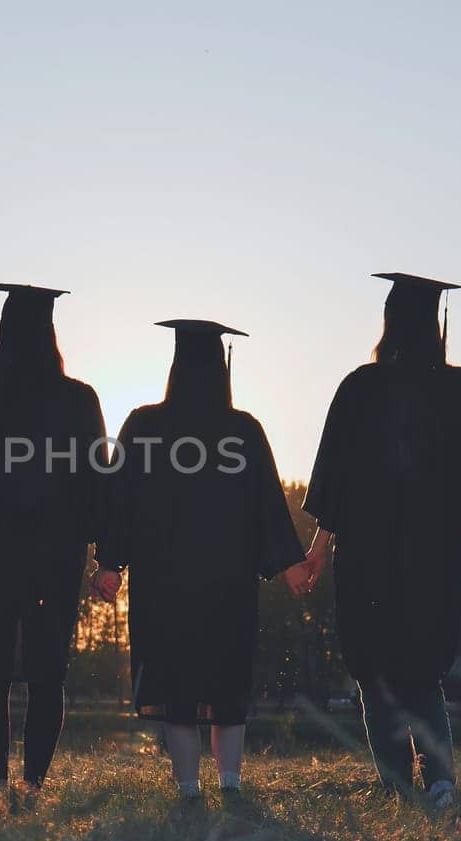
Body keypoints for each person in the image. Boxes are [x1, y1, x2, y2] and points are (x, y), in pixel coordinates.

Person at [296, 273, 461, 807]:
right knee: (422, 666)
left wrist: (320, 547)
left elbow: (334, 482)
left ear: (389, 323)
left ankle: (395, 781)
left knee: (375, 667)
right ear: (436, 326)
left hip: (369, 552)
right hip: (437, 554)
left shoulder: (359, 387)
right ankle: (439, 779)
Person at [91, 319, 304, 799]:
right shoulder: (243, 430)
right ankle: (230, 784)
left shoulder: (144, 424)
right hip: (228, 584)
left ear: (174, 368)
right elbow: (269, 502)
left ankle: (188, 789)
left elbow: (118, 501)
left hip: (162, 584)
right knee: (226, 680)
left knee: (175, 684)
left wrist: (109, 563)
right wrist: (290, 562)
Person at [0, 283, 106, 796]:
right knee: (48, 670)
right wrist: (102, 554)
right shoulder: (79, 398)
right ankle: (33, 785)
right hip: (57, 552)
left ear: (3, 333)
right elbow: (97, 480)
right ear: (51, 333)